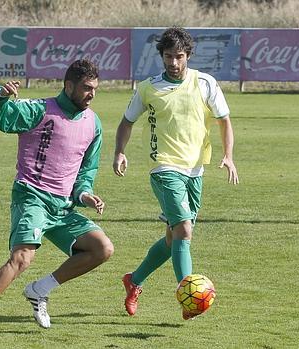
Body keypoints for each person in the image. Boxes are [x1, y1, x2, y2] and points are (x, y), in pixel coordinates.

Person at [0, 59, 113, 340]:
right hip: (32, 196)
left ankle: (40, 290)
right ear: (69, 86)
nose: (92, 94)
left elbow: (87, 169)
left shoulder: (93, 123)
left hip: (62, 207)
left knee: (102, 249)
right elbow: (0, 114)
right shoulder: (39, 109)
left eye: (95, 89)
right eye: (87, 88)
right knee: (22, 258)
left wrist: (84, 193)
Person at [113, 27, 239, 320]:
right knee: (184, 229)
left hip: (195, 169)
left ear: (188, 56)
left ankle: (135, 280)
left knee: (173, 239)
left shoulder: (206, 83)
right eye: (168, 56)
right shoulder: (148, 88)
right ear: (162, 56)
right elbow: (126, 122)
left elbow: (224, 120)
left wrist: (229, 156)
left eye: (179, 56)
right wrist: (120, 151)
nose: (173, 62)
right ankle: (190, 298)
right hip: (164, 167)